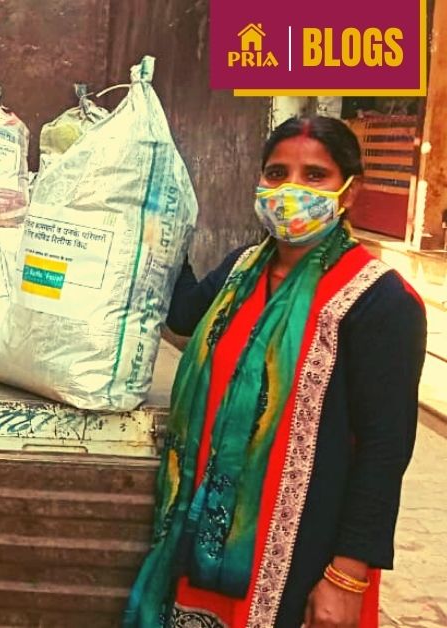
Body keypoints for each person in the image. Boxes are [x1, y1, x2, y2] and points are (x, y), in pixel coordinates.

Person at [125, 116, 426, 628]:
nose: (290, 190)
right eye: (277, 173)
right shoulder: (242, 271)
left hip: (303, 552)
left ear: (350, 192)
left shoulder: (380, 301)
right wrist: (159, 224)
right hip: (206, 535)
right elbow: (183, 314)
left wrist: (347, 577)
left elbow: (385, 450)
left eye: (315, 176)